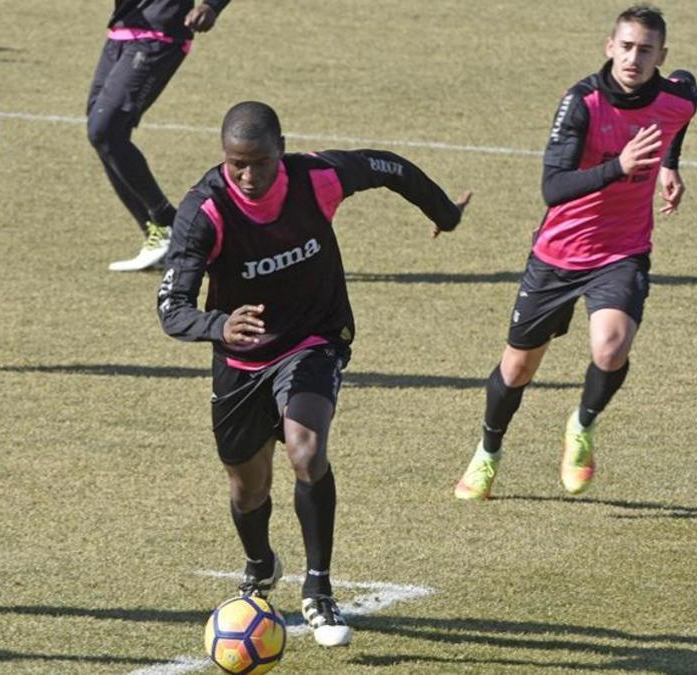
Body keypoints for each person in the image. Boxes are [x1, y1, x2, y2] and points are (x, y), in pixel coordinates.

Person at [158, 101, 472, 646]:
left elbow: (385, 166)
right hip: (240, 359)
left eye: (260, 163)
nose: (249, 176)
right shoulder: (203, 213)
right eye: (237, 165)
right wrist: (217, 325)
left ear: (282, 150)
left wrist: (443, 212)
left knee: (305, 450)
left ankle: (318, 591)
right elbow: (171, 307)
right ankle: (260, 563)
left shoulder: (317, 178)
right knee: (246, 487)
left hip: (314, 337)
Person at [453, 4, 697, 501]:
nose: (633, 58)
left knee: (610, 347)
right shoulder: (582, 103)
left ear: (661, 55)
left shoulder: (676, 99)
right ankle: (488, 453)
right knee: (517, 369)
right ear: (610, 47)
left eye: (645, 50)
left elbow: (686, 99)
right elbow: (554, 187)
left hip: (623, 250)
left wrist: (670, 163)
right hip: (558, 254)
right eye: (625, 47)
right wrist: (621, 165)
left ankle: (582, 427)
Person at [90, 0, 230, 272]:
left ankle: (170, 223)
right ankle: (159, 237)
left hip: (159, 32)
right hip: (122, 29)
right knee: (102, 135)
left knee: (106, 129)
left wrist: (212, 6)